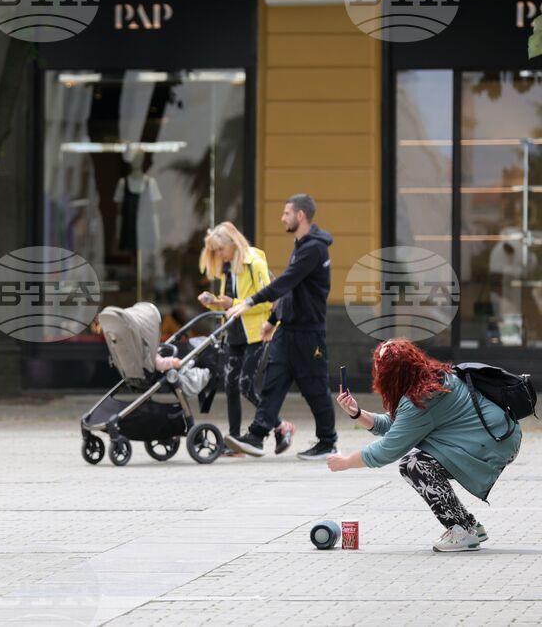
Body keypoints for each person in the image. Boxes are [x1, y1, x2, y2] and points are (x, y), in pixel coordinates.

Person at [327, 339, 521, 552]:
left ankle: (461, 532)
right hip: (499, 434)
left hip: (493, 442)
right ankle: (469, 526)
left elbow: (387, 450)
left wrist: (345, 463)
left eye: (379, 368)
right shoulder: (431, 380)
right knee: (418, 461)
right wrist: (356, 413)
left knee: (414, 465)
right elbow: (398, 425)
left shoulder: (422, 399)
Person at [224, 194, 338, 459]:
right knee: (273, 383)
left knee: (315, 387)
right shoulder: (301, 244)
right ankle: (256, 435)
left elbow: (286, 281)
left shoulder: (314, 248)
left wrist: (251, 301)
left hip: (309, 333)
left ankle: (328, 441)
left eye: (286, 213)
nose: (282, 217)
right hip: (288, 330)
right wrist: (273, 321)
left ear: (300, 216)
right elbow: (292, 289)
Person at [197, 221, 295, 454]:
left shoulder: (255, 263)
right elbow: (229, 304)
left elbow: (269, 301)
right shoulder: (228, 268)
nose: (220, 255)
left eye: (221, 250)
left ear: (232, 244)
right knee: (230, 385)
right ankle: (235, 440)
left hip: (257, 332)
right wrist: (214, 303)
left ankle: (281, 425)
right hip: (235, 332)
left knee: (245, 384)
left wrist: (235, 304)